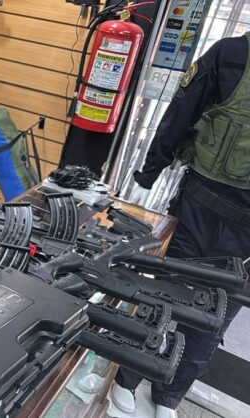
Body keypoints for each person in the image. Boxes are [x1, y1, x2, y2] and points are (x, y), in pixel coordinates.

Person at [112, 32, 250, 418]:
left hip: (238, 231)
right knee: (172, 297)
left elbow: (181, 110)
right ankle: (130, 379)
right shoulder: (231, 53)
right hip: (200, 208)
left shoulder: (229, 53)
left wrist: (150, 170)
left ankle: (165, 395)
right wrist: (150, 170)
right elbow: (183, 110)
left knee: (209, 316)